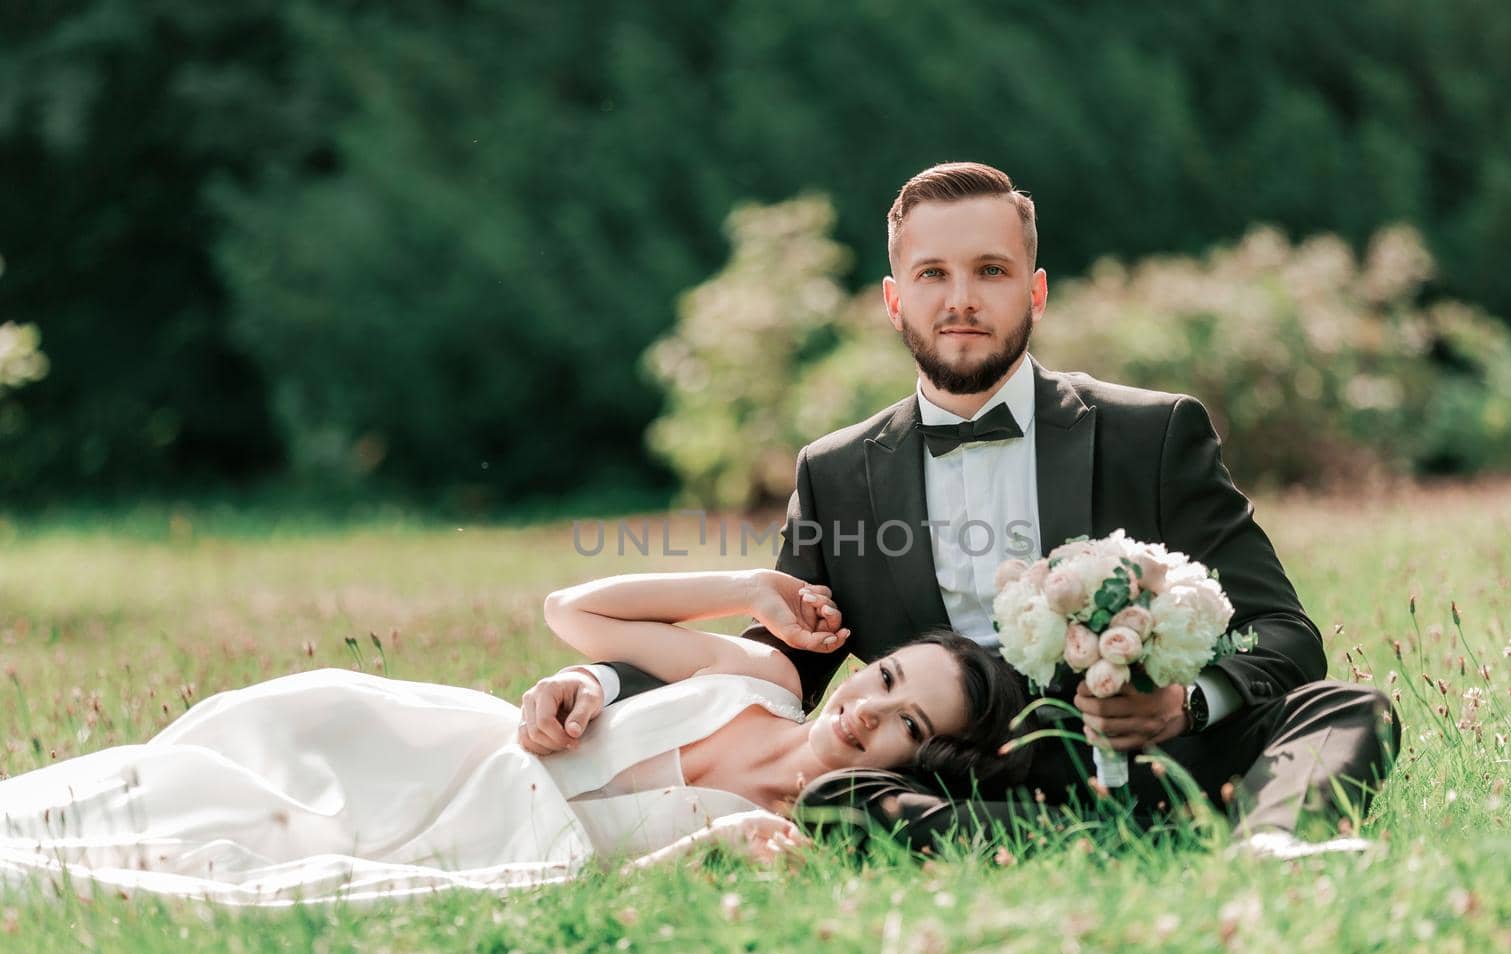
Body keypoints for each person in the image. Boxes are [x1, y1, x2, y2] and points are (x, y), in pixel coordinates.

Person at [536, 161, 1399, 856]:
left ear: (1036, 289)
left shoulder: (1152, 433)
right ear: (893, 298)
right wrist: (599, 682)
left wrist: (1185, 707)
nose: (961, 299)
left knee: (1346, 705)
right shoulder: (838, 473)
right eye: (933, 274)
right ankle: (1092, 844)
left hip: (1150, 749)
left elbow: (1283, 632)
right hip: (938, 785)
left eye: (991, 271)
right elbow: (776, 664)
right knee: (838, 797)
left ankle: (1273, 846)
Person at [0, 568, 1022, 905]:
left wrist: (695, 853)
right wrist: (742, 586)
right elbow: (573, 610)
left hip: (486, 842)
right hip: (424, 749)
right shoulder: (758, 677)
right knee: (175, 791)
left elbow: (611, 880)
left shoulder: (775, 830)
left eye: (904, 723)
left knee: (223, 858)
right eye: (884, 678)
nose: (867, 708)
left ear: (919, 759)